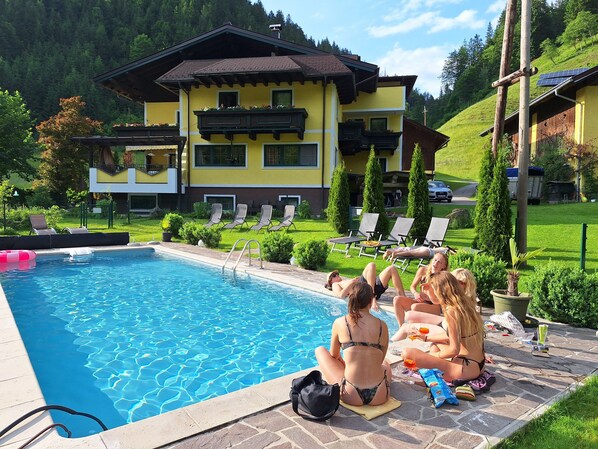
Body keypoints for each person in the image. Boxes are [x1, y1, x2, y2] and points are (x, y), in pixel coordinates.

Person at [315, 281, 392, 406]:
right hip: (380, 394)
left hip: (350, 393)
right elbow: (380, 360)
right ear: (370, 301)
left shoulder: (341, 322)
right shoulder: (382, 325)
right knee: (385, 364)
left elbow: (334, 355)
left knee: (320, 350)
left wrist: (347, 363)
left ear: (351, 299)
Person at [401, 271, 486, 382]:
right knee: (435, 345)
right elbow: (451, 335)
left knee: (407, 354)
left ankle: (433, 371)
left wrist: (433, 356)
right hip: (478, 364)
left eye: (432, 289)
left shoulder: (452, 311)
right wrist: (426, 338)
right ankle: (432, 368)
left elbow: (454, 350)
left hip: (465, 368)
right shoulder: (465, 304)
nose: (430, 293)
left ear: (440, 291)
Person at [392, 268, 478, 340]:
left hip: (447, 331)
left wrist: (427, 338)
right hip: (444, 323)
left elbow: (455, 337)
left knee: (406, 327)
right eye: (453, 280)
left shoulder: (463, 301)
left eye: (461, 282)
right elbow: (436, 301)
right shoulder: (453, 296)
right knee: (409, 315)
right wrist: (428, 290)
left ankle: (391, 346)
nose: (455, 284)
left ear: (468, 285)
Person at [392, 252, 449, 327]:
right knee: (397, 300)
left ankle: (413, 329)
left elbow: (443, 298)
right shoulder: (423, 270)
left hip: (434, 306)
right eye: (435, 260)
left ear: (444, 266)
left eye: (440, 262)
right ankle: (402, 327)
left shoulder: (443, 278)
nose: (436, 263)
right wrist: (415, 293)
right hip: (420, 301)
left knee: (415, 307)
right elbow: (412, 287)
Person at [325, 262, 405, 311]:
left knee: (391, 269)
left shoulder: (344, 281)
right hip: (362, 290)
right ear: (330, 282)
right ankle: (372, 297)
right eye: (333, 276)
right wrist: (352, 282)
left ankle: (403, 299)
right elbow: (341, 295)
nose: (336, 275)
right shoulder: (335, 284)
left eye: (336, 274)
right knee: (371, 265)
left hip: (369, 286)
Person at [382, 245, 455, 262]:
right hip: (428, 252)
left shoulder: (442, 248)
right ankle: (396, 254)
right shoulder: (447, 251)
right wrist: (454, 252)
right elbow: (454, 254)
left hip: (425, 248)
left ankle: (391, 251)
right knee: (411, 253)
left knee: (409, 250)